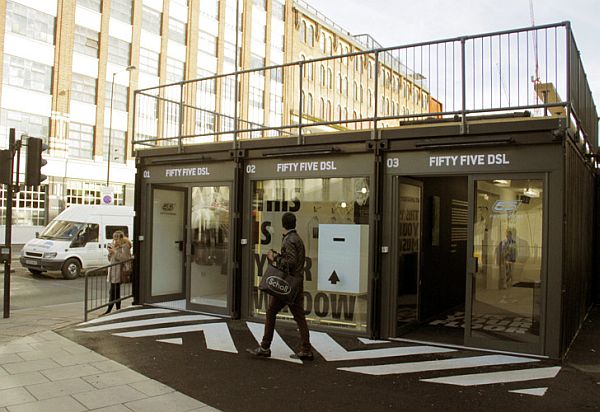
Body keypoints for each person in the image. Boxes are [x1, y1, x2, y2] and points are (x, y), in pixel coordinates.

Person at [247, 212, 314, 360]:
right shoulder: (297, 239)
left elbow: (290, 261)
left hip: (287, 284)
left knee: (273, 313)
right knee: (297, 316)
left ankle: (266, 347)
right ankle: (305, 348)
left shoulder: (289, 240)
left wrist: (275, 257)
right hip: (295, 283)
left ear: (283, 224)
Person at [104, 230, 132, 314]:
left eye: (117, 237)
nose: (115, 240)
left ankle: (112, 309)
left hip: (119, 271)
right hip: (113, 271)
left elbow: (125, 258)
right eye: (114, 237)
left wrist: (115, 252)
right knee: (113, 291)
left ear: (121, 238)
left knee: (114, 291)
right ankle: (115, 309)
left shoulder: (125, 246)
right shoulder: (114, 246)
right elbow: (110, 259)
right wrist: (110, 253)